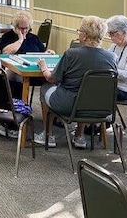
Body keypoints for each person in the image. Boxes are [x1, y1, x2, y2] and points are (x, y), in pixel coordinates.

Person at [34, 16, 117, 149]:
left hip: (70, 105)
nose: (78, 33)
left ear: (84, 36)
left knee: (46, 87)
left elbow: (52, 79)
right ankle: (79, 136)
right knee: (86, 92)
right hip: (100, 107)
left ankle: (48, 135)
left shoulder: (71, 54)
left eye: (79, 30)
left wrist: (43, 67)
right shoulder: (112, 57)